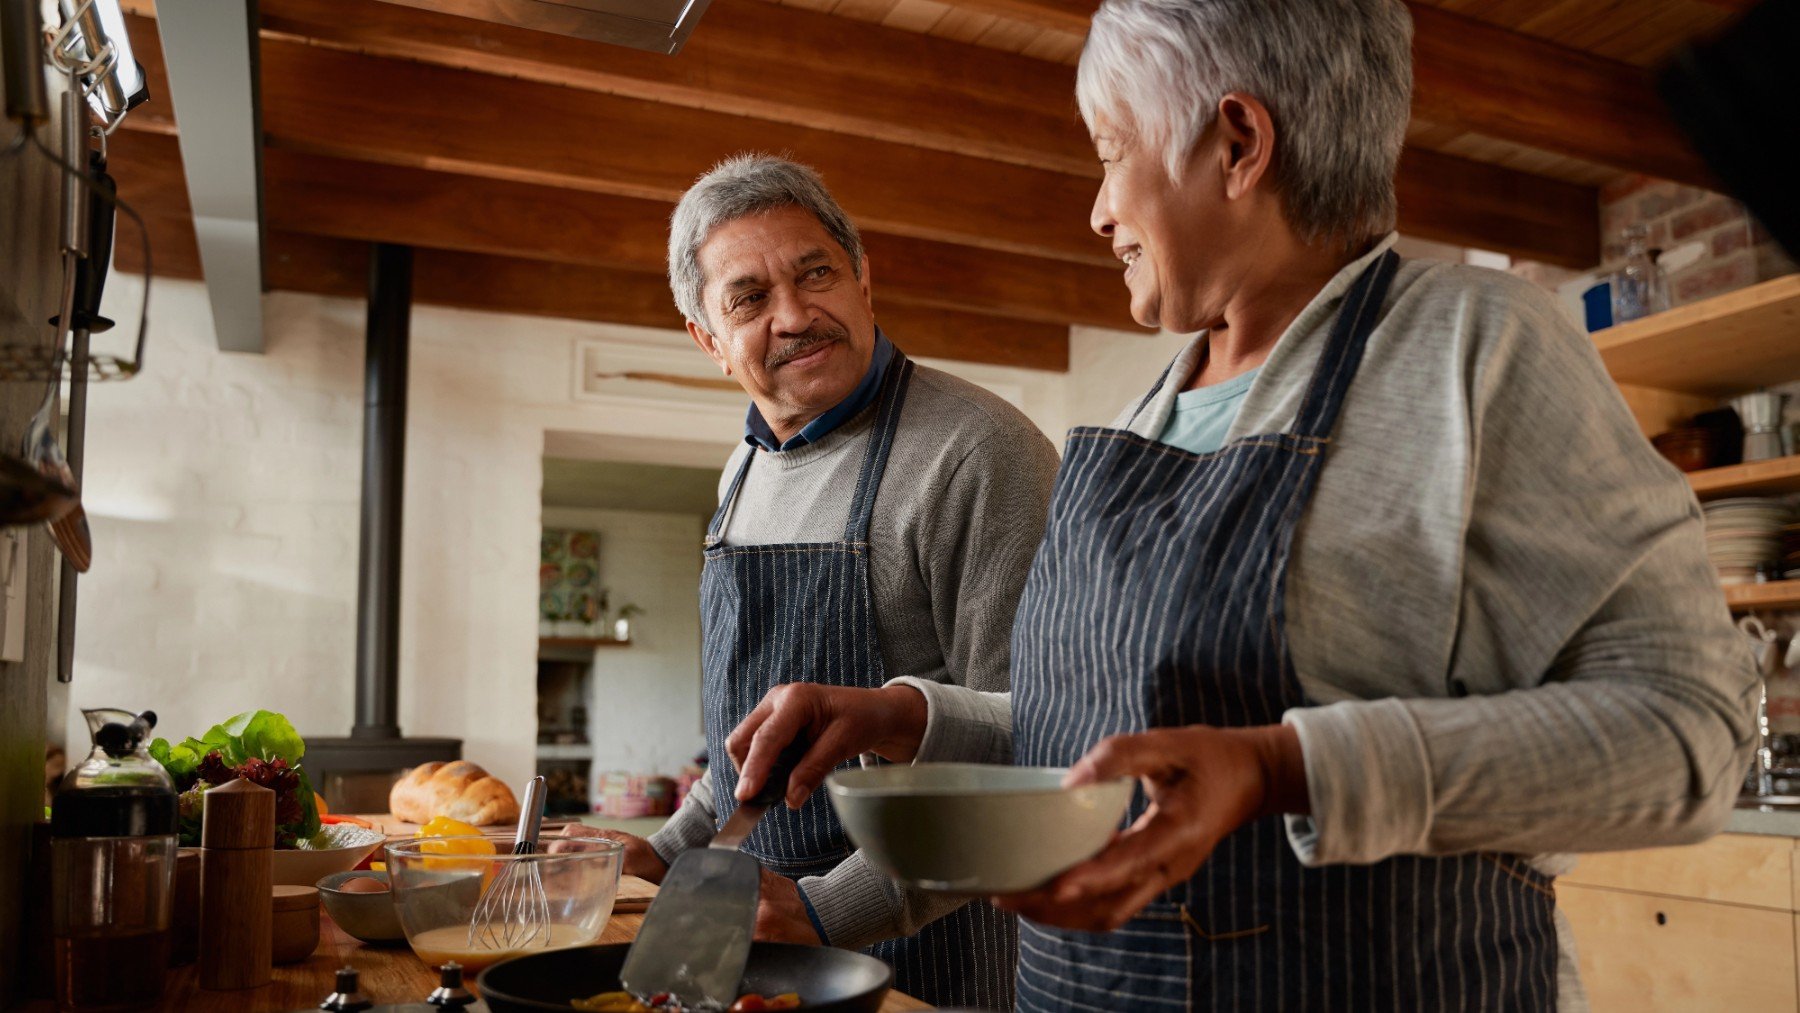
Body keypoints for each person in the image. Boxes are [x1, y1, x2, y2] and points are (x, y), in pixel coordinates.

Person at [724, 2, 1759, 1009]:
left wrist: (1282, 768)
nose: (1099, 211)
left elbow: (1693, 732)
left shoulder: (1476, 347)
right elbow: (1110, 741)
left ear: (1238, 143)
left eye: (1110, 153)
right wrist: (911, 716)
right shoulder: (1153, 407)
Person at [564, 154, 1057, 1010]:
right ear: (709, 341)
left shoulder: (980, 452)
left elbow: (1041, 748)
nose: (794, 315)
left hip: (933, 962)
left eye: (816, 273)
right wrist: (667, 851)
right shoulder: (741, 475)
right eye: (749, 298)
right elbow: (749, 753)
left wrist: (828, 910)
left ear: (864, 279)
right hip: (758, 944)